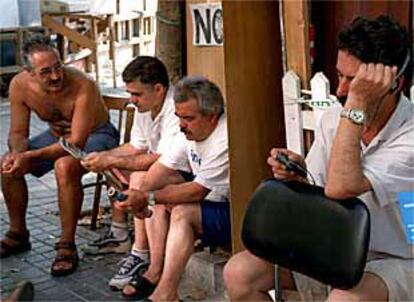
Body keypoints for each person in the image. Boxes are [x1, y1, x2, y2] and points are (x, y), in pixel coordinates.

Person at [223, 15, 413, 302]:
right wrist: (298, 174)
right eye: (340, 76)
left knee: (344, 300)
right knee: (239, 273)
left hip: (396, 257)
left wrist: (357, 103)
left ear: (393, 83)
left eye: (355, 81)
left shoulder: (408, 135)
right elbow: (324, 189)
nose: (341, 91)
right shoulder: (336, 118)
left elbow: (341, 187)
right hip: (338, 249)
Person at [0, 34, 120, 276]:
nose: (55, 76)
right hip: (57, 136)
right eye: (45, 72)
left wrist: (30, 155)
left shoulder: (82, 84)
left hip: (97, 134)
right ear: (29, 72)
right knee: (6, 165)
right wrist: (17, 154)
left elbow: (75, 141)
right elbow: (16, 132)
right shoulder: (19, 85)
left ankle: (66, 245)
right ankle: (18, 233)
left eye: (58, 67)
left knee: (65, 166)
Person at [116, 76, 231, 301]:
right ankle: (155, 271)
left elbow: (198, 191)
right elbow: (161, 169)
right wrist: (138, 197)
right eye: (179, 117)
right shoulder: (188, 131)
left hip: (235, 211)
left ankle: (166, 293)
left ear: (212, 116)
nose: (181, 124)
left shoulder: (224, 138)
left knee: (180, 211)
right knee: (152, 188)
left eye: (188, 118)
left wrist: (147, 198)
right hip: (211, 201)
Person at [80, 56, 182, 290]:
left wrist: (112, 159)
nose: (132, 100)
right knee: (120, 168)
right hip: (162, 168)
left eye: (136, 94)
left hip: (185, 172)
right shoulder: (146, 106)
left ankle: (146, 259)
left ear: (158, 89)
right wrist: (105, 158)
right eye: (130, 93)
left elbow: (163, 158)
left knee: (141, 180)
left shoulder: (175, 107)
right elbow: (137, 146)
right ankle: (129, 244)